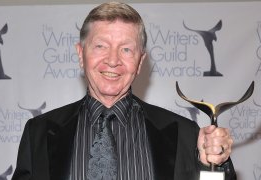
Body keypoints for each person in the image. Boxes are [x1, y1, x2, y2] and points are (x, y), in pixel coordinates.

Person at [12, 2, 236, 180]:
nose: (112, 60)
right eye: (101, 46)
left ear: (140, 62)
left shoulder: (184, 133)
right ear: (81, 54)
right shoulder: (38, 132)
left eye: (126, 49)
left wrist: (213, 166)